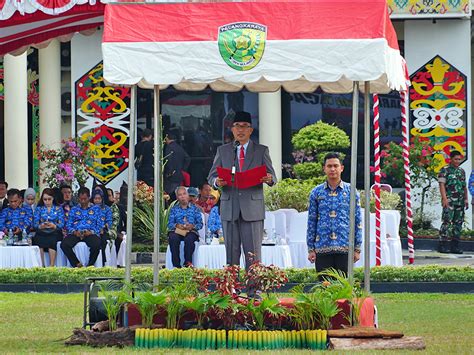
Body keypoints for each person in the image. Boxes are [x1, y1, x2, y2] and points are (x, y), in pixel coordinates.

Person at [207, 111, 276, 269]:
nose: (240, 130)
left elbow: (272, 175)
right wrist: (217, 182)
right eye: (237, 126)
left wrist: (269, 179)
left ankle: (254, 290)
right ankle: (232, 290)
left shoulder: (261, 150)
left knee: (253, 254)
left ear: (251, 130)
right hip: (230, 207)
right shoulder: (223, 151)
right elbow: (211, 176)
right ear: (232, 129)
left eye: (245, 126)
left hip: (252, 209)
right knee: (231, 253)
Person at [306, 152, 362, 277]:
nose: (332, 169)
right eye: (329, 166)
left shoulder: (351, 191)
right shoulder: (316, 192)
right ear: (324, 169)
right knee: (324, 286)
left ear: (341, 168)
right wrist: (311, 248)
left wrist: (357, 248)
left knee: (343, 288)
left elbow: (357, 221)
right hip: (322, 247)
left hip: (345, 247)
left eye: (335, 166)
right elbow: (311, 222)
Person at [61, 187, 102, 267]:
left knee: (96, 244)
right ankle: (76, 263)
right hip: (77, 233)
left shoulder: (96, 209)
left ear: (89, 197)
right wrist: (74, 232)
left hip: (90, 233)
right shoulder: (74, 209)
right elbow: (68, 224)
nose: (83, 201)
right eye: (81, 199)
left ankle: (90, 265)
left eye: (85, 199)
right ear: (78, 198)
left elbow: (99, 224)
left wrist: (91, 232)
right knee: (64, 244)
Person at [438, 150, 469, 254]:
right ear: (450, 159)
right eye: (455, 159)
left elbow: (464, 186)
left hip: (460, 202)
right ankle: (443, 245)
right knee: (447, 222)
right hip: (449, 201)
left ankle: (455, 246)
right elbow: (441, 185)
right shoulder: (445, 170)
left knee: (458, 223)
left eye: (459, 159)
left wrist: (466, 199)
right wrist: (444, 198)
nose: (457, 161)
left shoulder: (461, 171)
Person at [167, 186, 203, 268]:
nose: (183, 196)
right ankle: (176, 266)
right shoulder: (174, 209)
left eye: (184, 194)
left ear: (188, 195)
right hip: (179, 231)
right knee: (173, 237)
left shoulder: (195, 209)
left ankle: (188, 264)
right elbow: (170, 224)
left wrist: (192, 226)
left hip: (191, 231)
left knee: (189, 239)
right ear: (177, 197)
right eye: (180, 195)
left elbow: (200, 224)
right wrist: (177, 225)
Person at [33, 188, 65, 267]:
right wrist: (40, 226)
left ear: (53, 198)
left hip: (54, 231)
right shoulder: (39, 209)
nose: (47, 201)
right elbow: (35, 223)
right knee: (38, 238)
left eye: (49, 199)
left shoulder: (58, 209)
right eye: (45, 199)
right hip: (42, 231)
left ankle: (51, 265)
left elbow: (62, 223)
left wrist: (54, 226)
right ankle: (42, 265)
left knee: (52, 239)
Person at [163, 131, 191, 200]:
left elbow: (168, 160)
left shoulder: (168, 148)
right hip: (179, 174)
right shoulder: (179, 147)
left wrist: (169, 173)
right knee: (177, 195)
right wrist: (183, 169)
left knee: (168, 196)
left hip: (170, 177)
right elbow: (188, 158)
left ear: (167, 138)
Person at [91, 188, 113, 266]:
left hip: (103, 231)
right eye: (95, 198)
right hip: (92, 231)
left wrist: (103, 227)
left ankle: (103, 261)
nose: (97, 200)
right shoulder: (90, 208)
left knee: (103, 241)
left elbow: (109, 222)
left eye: (99, 198)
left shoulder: (107, 209)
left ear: (102, 199)